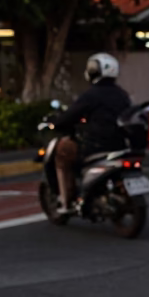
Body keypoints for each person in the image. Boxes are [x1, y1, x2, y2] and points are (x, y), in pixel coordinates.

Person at [53, 52, 131, 214]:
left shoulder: (91, 95)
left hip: (96, 146)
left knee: (63, 151)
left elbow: (71, 115)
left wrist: (56, 124)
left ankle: (66, 201)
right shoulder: (122, 94)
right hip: (121, 145)